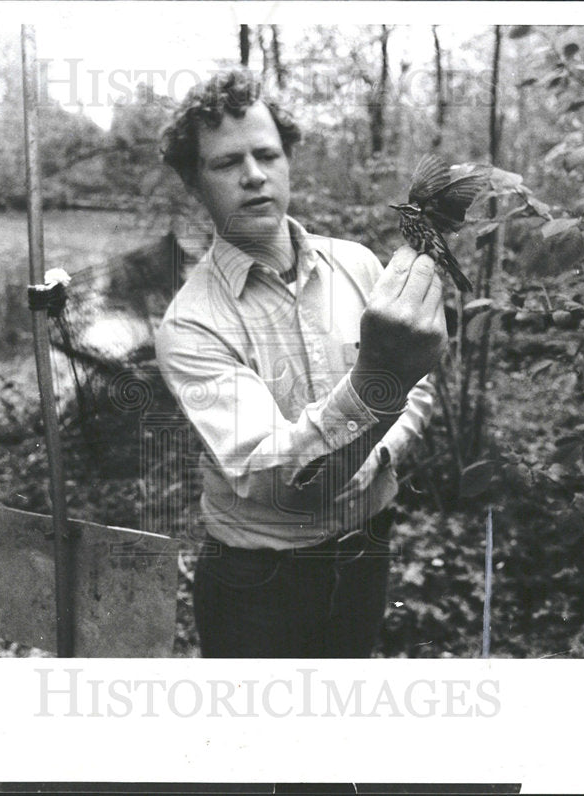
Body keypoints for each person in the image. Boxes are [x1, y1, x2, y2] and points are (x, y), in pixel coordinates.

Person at [155, 70, 446, 658]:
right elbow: (280, 486)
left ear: (289, 161)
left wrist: (380, 452)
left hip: (367, 549)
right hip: (259, 582)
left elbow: (419, 383)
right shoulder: (190, 324)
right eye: (226, 163)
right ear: (194, 183)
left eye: (267, 154)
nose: (254, 175)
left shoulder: (358, 265)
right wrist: (375, 381)